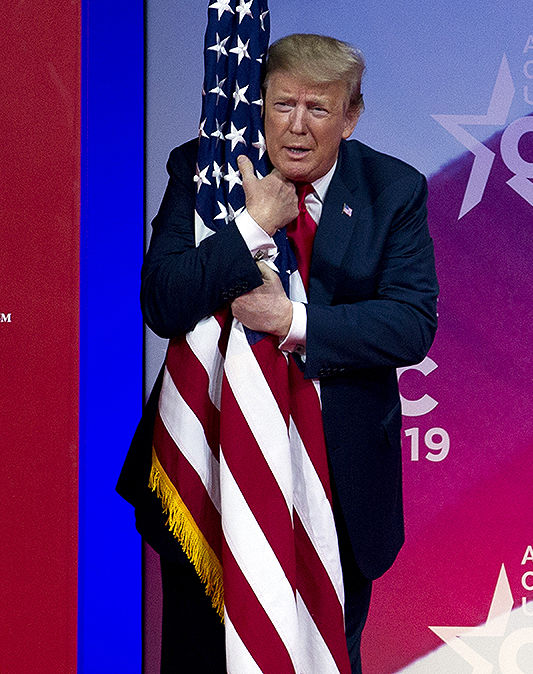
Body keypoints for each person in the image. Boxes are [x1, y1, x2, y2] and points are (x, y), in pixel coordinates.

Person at [118, 33, 439, 674]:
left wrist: (289, 320)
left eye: (318, 109)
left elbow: (410, 322)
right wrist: (251, 227)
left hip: (337, 486)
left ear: (351, 116)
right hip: (208, 479)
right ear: (256, 103)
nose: (296, 126)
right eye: (281, 104)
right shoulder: (204, 171)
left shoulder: (391, 191)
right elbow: (162, 301)